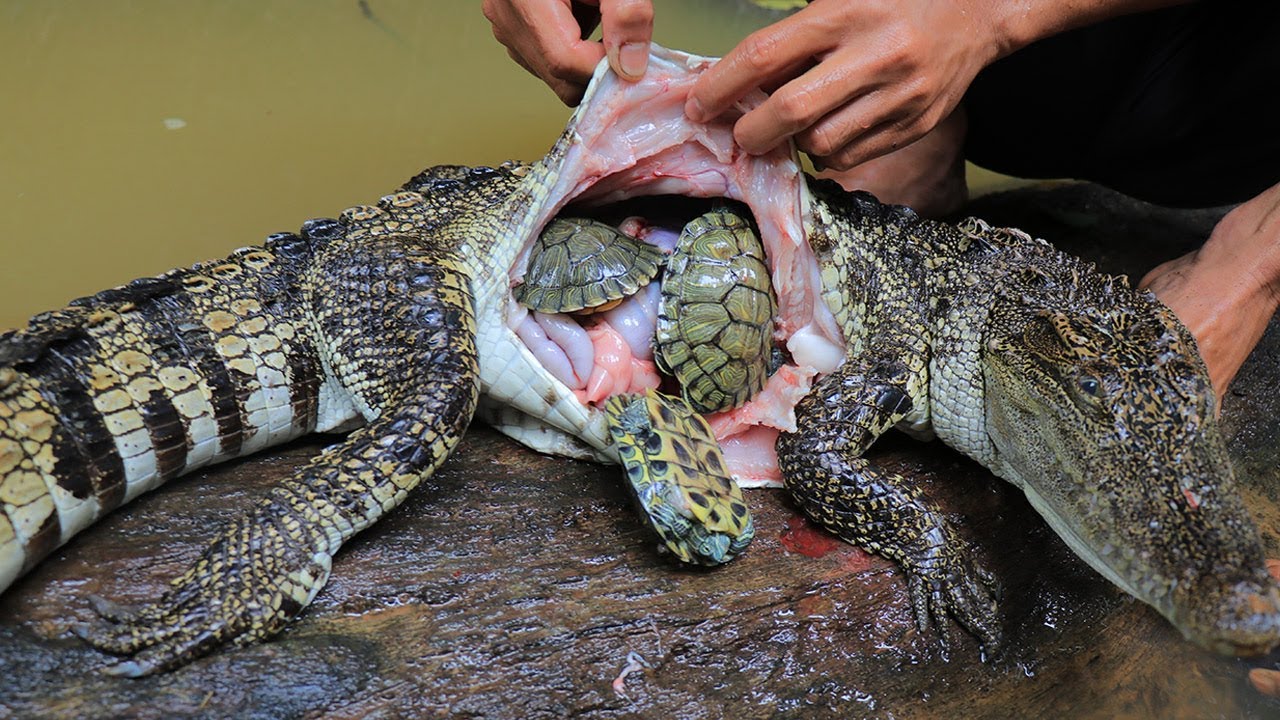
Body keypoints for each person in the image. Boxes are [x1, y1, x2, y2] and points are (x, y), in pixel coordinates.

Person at [483, 0, 1280, 694]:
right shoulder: (910, 352)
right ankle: (927, 135)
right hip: (1011, 94)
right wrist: (923, 536)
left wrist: (1255, 264)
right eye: (1096, 403)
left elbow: (817, 455)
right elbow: (816, 455)